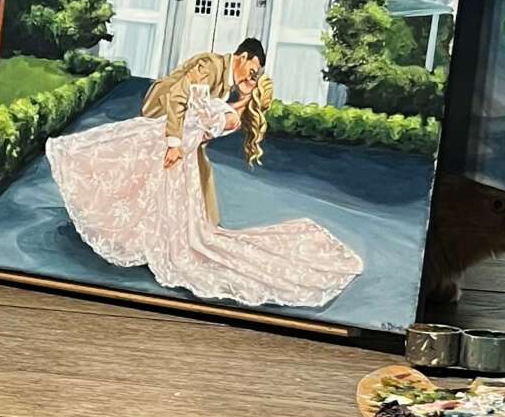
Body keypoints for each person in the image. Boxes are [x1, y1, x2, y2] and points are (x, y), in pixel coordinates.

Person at [46, 72, 363, 308]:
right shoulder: (228, 106)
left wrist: (188, 113)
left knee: (131, 177)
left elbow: (198, 122)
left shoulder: (232, 118)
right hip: (166, 138)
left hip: (176, 147)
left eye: (252, 82)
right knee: (121, 168)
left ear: (254, 94)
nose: (246, 80)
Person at [142, 38, 266, 226]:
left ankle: (206, 224)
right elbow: (177, 98)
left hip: (186, 124)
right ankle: (200, 224)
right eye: (251, 72)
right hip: (162, 113)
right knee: (187, 169)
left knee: (201, 170)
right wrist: (174, 144)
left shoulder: (227, 79)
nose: (251, 79)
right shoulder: (210, 67)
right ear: (242, 57)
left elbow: (204, 114)